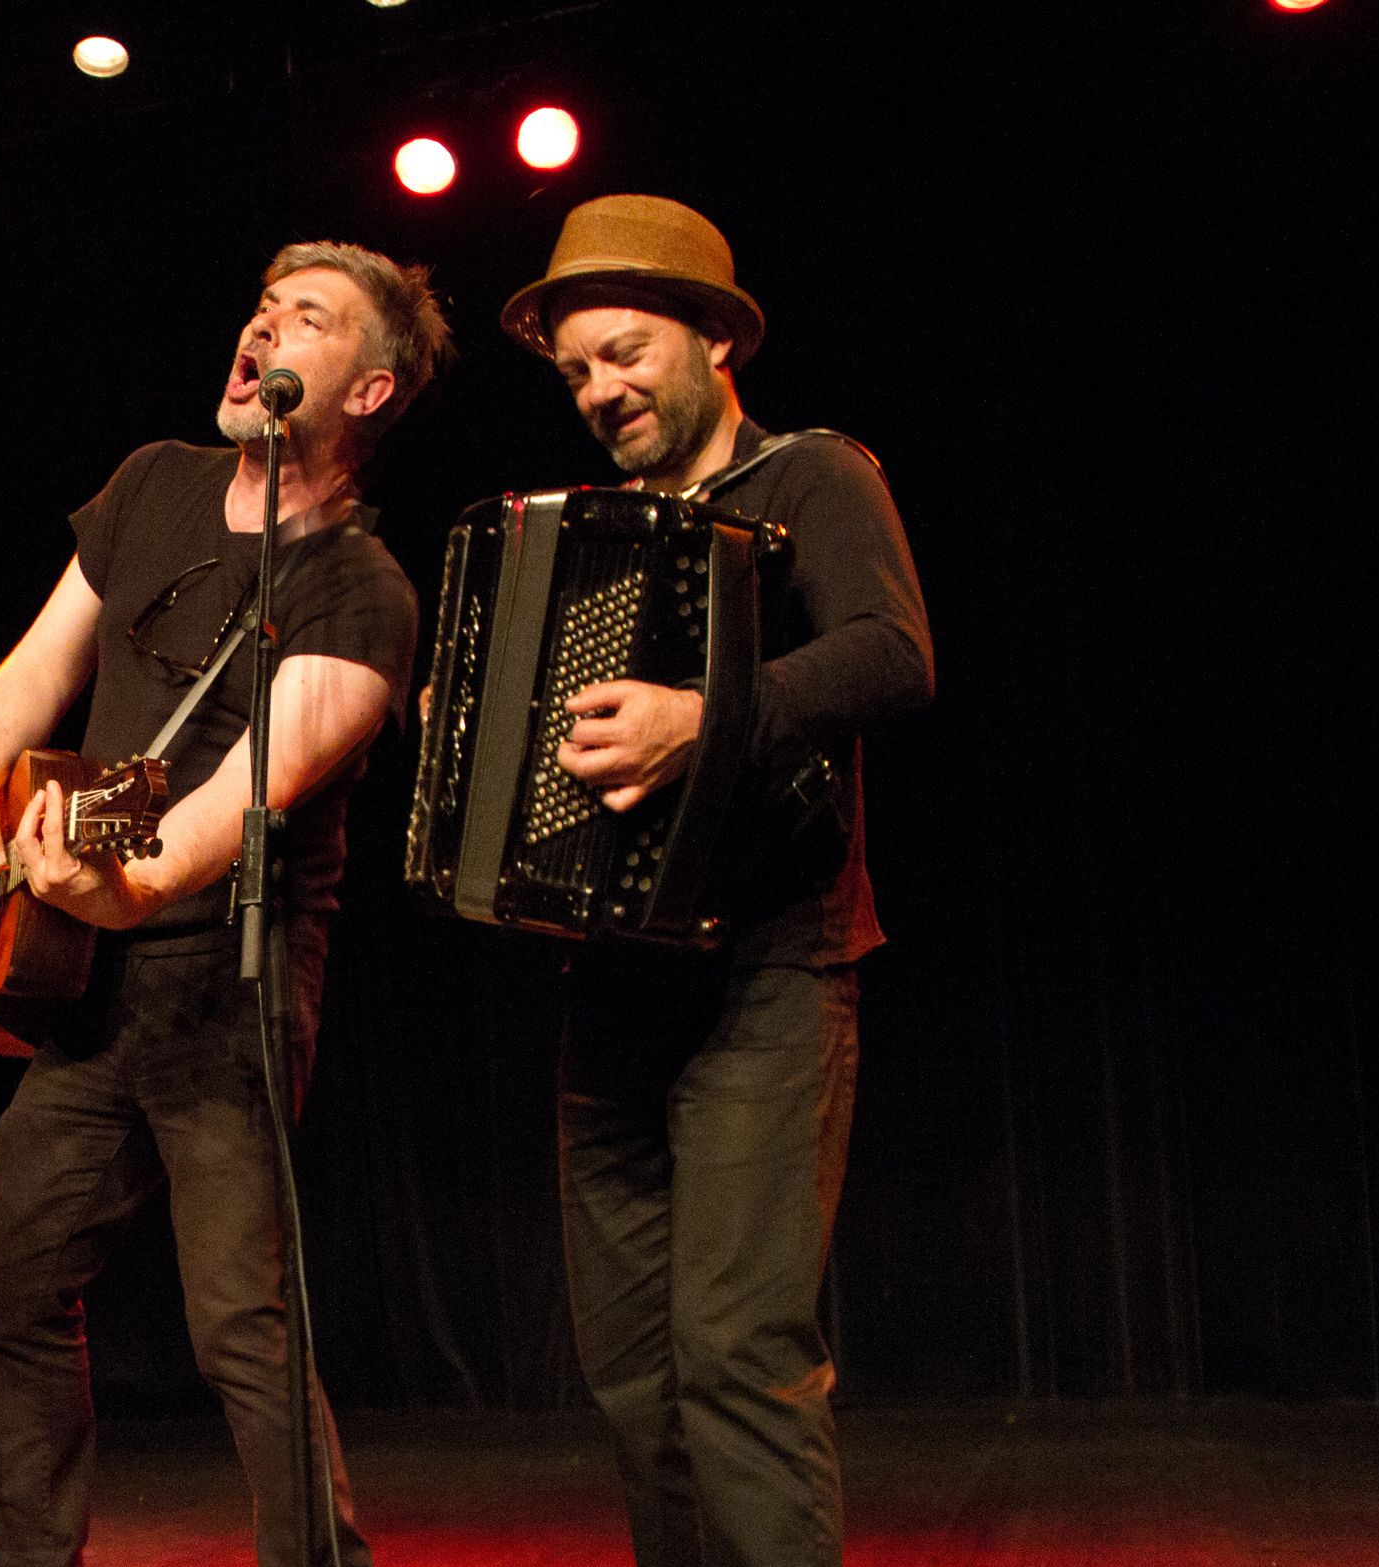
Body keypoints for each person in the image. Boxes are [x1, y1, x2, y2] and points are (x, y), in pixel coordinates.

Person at [0, 241, 448, 1567]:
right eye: (265, 304)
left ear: (369, 389)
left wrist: (124, 880)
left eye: (309, 318)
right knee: (7, 1277)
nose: (263, 325)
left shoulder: (363, 593)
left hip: (229, 983)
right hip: (83, 976)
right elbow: (31, 671)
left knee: (239, 1321)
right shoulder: (153, 483)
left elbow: (230, 810)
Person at [495, 194, 934, 1566]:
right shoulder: (589, 534)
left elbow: (892, 655)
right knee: (635, 1375)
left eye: (625, 352)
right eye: (577, 370)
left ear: (715, 340)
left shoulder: (811, 478)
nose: (599, 389)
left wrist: (702, 718)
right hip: (611, 991)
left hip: (768, 970)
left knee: (739, 1357)